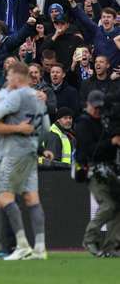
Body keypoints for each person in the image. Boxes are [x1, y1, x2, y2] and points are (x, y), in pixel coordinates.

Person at [0, 62, 49, 260]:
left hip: (14, 152)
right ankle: (40, 248)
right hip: (31, 151)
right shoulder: (39, 97)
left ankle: (22, 245)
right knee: (32, 198)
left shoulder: (17, 95)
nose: (8, 79)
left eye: (11, 75)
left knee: (4, 196)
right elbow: (46, 127)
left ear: (18, 77)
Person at [74, 90, 120, 256]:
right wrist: (111, 142)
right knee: (108, 205)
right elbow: (89, 151)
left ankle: (112, 246)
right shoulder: (83, 123)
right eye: (95, 108)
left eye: (99, 108)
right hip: (92, 169)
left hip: (108, 168)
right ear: (88, 104)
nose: (97, 111)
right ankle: (89, 239)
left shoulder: (104, 121)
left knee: (117, 205)